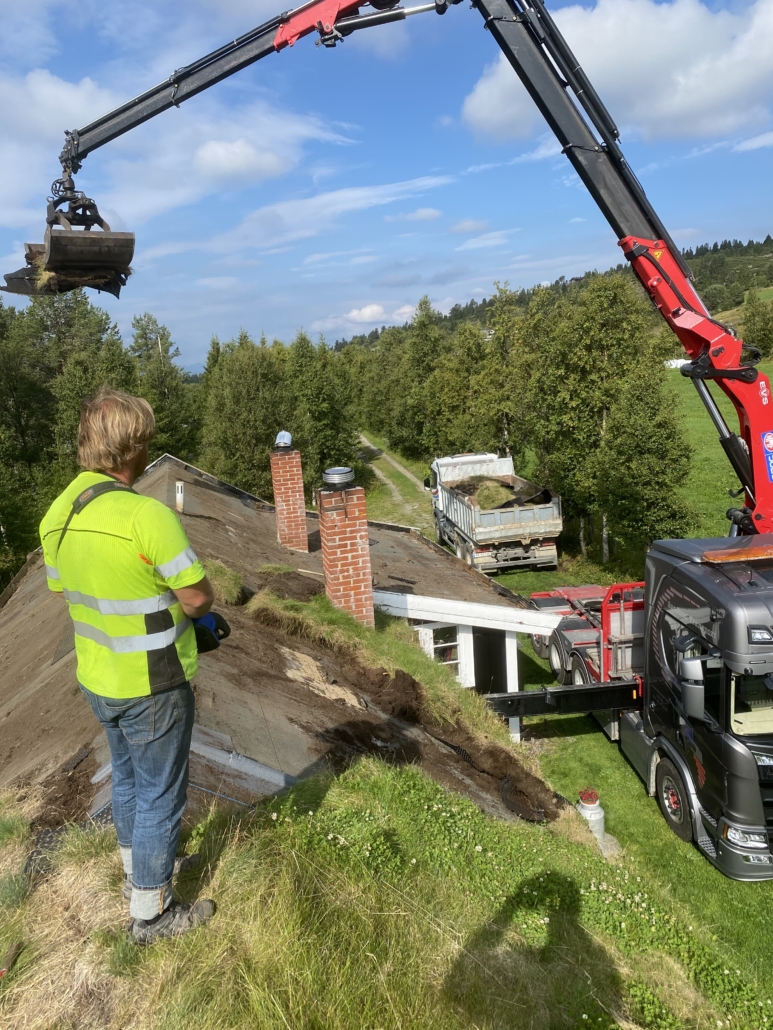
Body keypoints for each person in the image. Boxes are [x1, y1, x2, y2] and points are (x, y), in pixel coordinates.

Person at [39, 386, 216, 945]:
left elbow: (65, 590)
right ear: (132, 449)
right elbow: (197, 599)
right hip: (154, 684)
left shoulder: (58, 514)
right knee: (162, 792)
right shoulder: (147, 516)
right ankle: (152, 916)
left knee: (128, 779)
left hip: (98, 679)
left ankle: (136, 876)